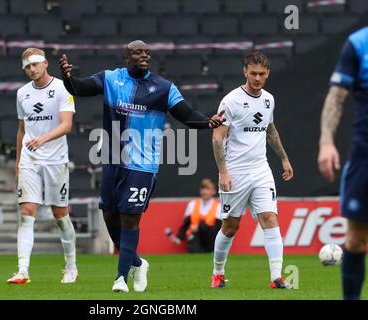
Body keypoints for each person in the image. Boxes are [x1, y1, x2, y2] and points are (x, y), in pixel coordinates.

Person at [59, 40, 224, 293]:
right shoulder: (111, 79)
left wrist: (208, 122)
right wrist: (68, 78)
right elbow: (79, 88)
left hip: (142, 165)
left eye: (147, 53)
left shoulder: (164, 88)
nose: (144, 56)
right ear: (127, 57)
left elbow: (187, 115)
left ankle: (121, 278)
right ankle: (137, 262)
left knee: (129, 220)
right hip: (113, 161)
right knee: (110, 217)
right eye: (138, 53)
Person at [211, 51, 294, 289]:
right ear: (245, 71)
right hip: (235, 171)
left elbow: (271, 131)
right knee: (230, 226)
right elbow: (217, 138)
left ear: (267, 73)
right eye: (253, 73)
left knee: (270, 218)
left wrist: (285, 159)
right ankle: (218, 272)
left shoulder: (269, 99)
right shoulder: (231, 101)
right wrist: (223, 172)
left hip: (261, 170)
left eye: (261, 74)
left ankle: (276, 278)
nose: (257, 78)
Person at [7, 48, 78, 285]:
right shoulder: (22, 93)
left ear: (45, 63)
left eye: (35, 64)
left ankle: (71, 267)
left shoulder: (62, 88)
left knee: (60, 215)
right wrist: (18, 164)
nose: (31, 70)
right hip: (30, 159)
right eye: (27, 67)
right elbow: (21, 130)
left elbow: (67, 125)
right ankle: (22, 270)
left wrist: (44, 139)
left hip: (56, 160)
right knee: (26, 212)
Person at [317, 26, 368, 300]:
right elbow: (336, 97)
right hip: (365, 158)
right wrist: (326, 142)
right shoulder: (358, 44)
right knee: (356, 240)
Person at [169, 178, 221, 253]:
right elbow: (186, 224)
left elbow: (219, 228)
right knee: (193, 249)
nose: (204, 192)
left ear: (213, 191)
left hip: (211, 238)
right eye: (203, 189)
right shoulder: (192, 204)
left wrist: (199, 226)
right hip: (195, 235)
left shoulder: (218, 206)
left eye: (207, 189)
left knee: (203, 226)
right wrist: (179, 238)